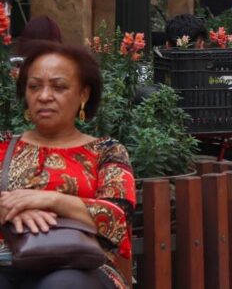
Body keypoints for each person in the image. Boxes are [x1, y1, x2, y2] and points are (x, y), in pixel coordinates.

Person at [0, 41, 135, 289]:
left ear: (83, 94)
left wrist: (48, 200)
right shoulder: (3, 145)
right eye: (34, 86)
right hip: (6, 261)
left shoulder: (107, 151)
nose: (44, 96)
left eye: (59, 87)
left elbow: (117, 217)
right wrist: (10, 210)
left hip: (82, 266)